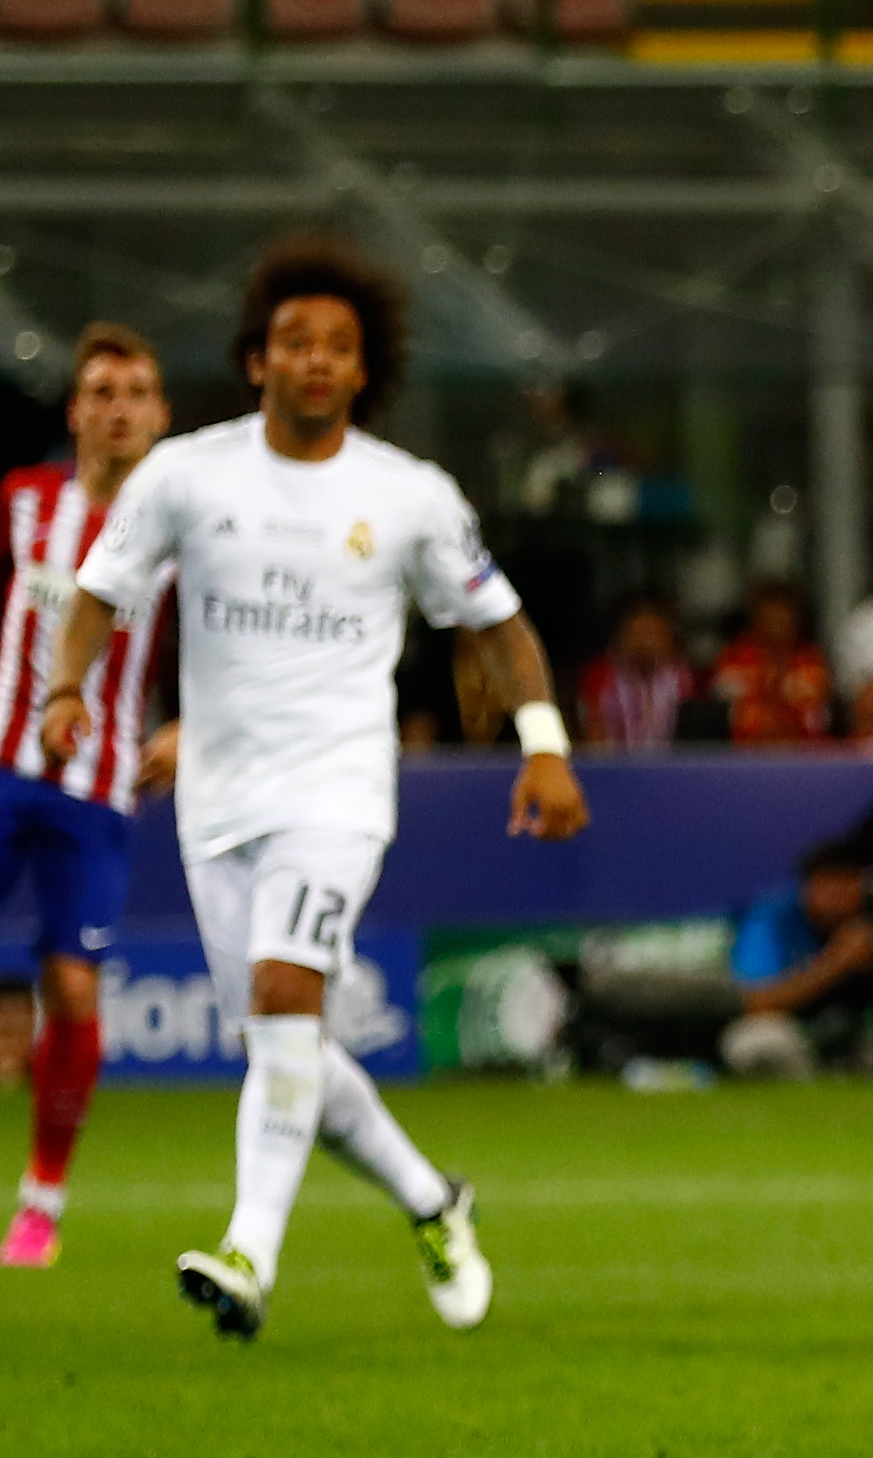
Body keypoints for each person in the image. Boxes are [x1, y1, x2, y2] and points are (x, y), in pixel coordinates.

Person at [42, 238, 589, 1339]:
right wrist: (67, 692)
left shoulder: (408, 496)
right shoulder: (190, 474)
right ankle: (435, 1200)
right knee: (277, 1047)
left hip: (337, 794)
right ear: (258, 359)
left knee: (288, 1006)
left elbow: (500, 624)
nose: (316, 362)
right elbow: (101, 588)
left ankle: (249, 1252)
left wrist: (544, 743)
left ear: (362, 367)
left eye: (338, 346)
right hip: (216, 802)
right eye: (295, 342)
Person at [0, 326, 177, 1270]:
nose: (118, 408)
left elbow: (225, 658)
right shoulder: (22, 504)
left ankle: (41, 1202)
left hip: (100, 789)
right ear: (75, 412)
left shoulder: (182, 539)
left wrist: (192, 726)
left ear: (161, 416)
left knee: (72, 987)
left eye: (136, 392)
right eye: (102, 391)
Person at [722, 800, 873, 1084]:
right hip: (792, 1032)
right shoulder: (772, 920)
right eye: (831, 881)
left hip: (851, 1040)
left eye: (851, 881)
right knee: (761, 1045)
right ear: (809, 885)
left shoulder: (868, 923)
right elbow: (755, 1003)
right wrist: (838, 962)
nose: (841, 892)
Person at [714, 579, 834, 745]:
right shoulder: (733, 660)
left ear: (795, 621)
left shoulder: (812, 662)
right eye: (770, 620)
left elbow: (815, 718)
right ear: (757, 620)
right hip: (744, 758)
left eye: (783, 619)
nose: (776, 628)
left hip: (805, 759)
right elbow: (732, 717)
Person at [576, 596, 695, 751]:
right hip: (615, 766)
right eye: (637, 634)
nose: (644, 643)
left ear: (667, 639)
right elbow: (593, 731)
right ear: (622, 639)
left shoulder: (682, 676)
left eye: (652, 635)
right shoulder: (601, 675)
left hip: (673, 767)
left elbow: (695, 732)